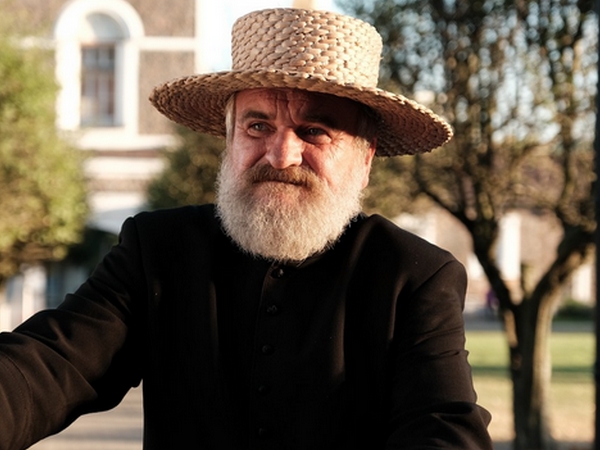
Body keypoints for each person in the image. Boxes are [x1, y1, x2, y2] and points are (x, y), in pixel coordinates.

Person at [0, 7, 493, 450]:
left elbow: (444, 427)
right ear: (230, 139)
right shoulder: (158, 251)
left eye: (314, 131)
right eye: (258, 127)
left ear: (364, 159)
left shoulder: (414, 275)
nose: (281, 156)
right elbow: (49, 365)